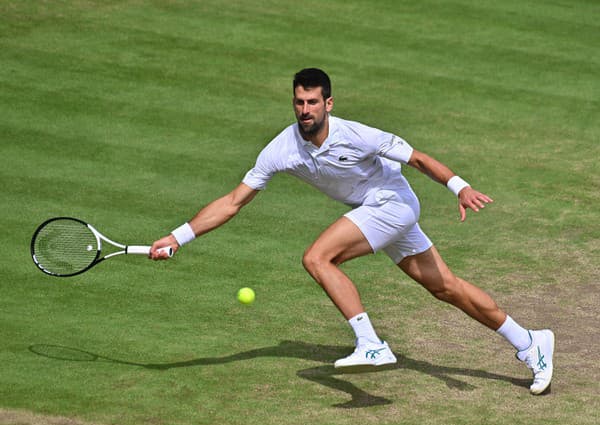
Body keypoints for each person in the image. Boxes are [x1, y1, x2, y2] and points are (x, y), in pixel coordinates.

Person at [150, 68, 554, 395]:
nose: (304, 109)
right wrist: (177, 236)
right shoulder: (281, 149)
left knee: (317, 257)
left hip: (392, 204)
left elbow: (416, 159)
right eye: (298, 102)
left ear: (328, 104)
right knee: (445, 287)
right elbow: (233, 201)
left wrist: (459, 186)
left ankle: (372, 344)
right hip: (373, 211)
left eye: (312, 102)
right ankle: (530, 342)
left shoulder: (357, 134)